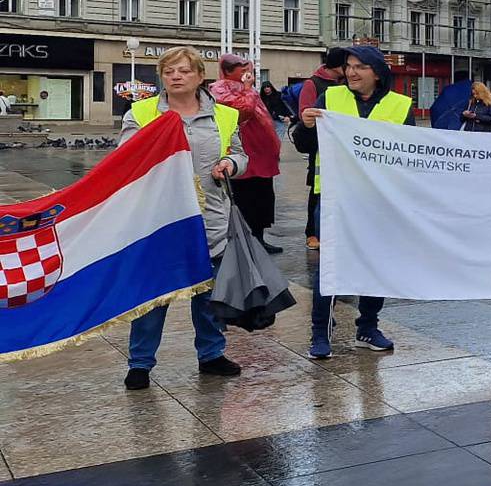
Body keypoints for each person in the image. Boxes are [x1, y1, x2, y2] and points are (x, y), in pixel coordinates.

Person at [120, 47, 246, 390]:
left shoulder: (225, 115)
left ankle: (211, 354)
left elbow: (238, 154)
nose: (176, 77)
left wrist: (231, 165)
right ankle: (140, 363)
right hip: (159, 221)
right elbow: (126, 159)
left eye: (184, 71)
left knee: (208, 295)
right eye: (169, 71)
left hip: (210, 217)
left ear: (199, 77)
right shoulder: (142, 112)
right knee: (153, 298)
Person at [300, 45, 409, 359]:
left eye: (360, 66)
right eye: (348, 66)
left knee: (376, 263)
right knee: (330, 267)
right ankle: (320, 332)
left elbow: (410, 154)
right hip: (334, 196)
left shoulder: (400, 105)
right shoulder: (331, 98)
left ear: (377, 72)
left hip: (378, 198)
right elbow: (305, 143)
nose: (351, 72)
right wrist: (306, 126)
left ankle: (368, 327)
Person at [211, 54, 283, 255]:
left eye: (247, 68)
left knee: (263, 199)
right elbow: (243, 111)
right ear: (227, 71)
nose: (246, 73)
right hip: (243, 154)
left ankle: (259, 238)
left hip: (262, 155)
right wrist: (248, 89)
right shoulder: (219, 89)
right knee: (245, 200)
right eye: (241, 69)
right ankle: (244, 243)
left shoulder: (246, 90)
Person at [294, 46, 347, 247]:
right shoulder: (313, 83)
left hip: (342, 145)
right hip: (320, 146)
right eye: (347, 64)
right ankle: (312, 233)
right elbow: (305, 113)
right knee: (317, 189)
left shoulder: (346, 83)